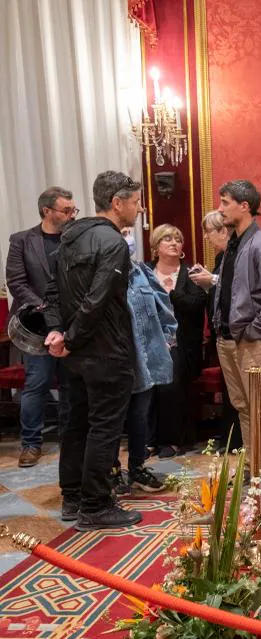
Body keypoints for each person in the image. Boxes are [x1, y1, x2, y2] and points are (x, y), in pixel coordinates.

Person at [42, 171, 141, 530]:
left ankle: (73, 497)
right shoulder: (113, 243)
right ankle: (96, 506)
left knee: (76, 424)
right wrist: (70, 336)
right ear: (117, 203)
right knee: (104, 428)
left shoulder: (69, 236)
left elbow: (52, 292)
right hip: (105, 351)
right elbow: (96, 302)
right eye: (135, 201)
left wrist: (59, 332)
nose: (139, 208)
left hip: (76, 354)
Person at [210, 180, 261, 500]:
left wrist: (256, 330)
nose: (220, 208)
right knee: (244, 405)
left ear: (245, 206)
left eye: (226, 202)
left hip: (250, 340)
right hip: (228, 338)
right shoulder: (234, 242)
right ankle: (254, 465)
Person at [6, 187, 76, 467]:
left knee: (72, 383)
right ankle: (31, 444)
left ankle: (70, 439)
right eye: (66, 210)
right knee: (37, 383)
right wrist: (44, 307)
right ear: (47, 211)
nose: (72, 215)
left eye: (74, 210)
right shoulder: (22, 240)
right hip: (37, 326)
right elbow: (16, 281)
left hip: (71, 324)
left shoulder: (76, 239)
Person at [114, 225, 176, 494]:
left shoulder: (141, 272)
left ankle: (137, 467)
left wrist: (165, 337)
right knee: (113, 420)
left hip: (145, 360)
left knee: (140, 416)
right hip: (114, 360)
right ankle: (112, 471)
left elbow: (164, 306)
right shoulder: (103, 276)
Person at [149, 224, 207, 458]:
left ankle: (172, 440)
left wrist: (172, 293)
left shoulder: (191, 274)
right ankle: (148, 440)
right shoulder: (144, 273)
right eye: (167, 239)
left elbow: (196, 305)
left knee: (171, 388)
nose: (174, 243)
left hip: (180, 343)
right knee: (147, 390)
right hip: (149, 341)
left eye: (178, 239)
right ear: (156, 247)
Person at [189, 211, 240, 447]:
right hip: (222, 331)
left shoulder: (238, 253)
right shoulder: (222, 256)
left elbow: (239, 288)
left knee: (238, 393)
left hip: (237, 332)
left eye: (208, 232)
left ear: (222, 231)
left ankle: (236, 440)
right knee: (229, 390)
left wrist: (213, 280)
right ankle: (230, 438)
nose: (206, 238)